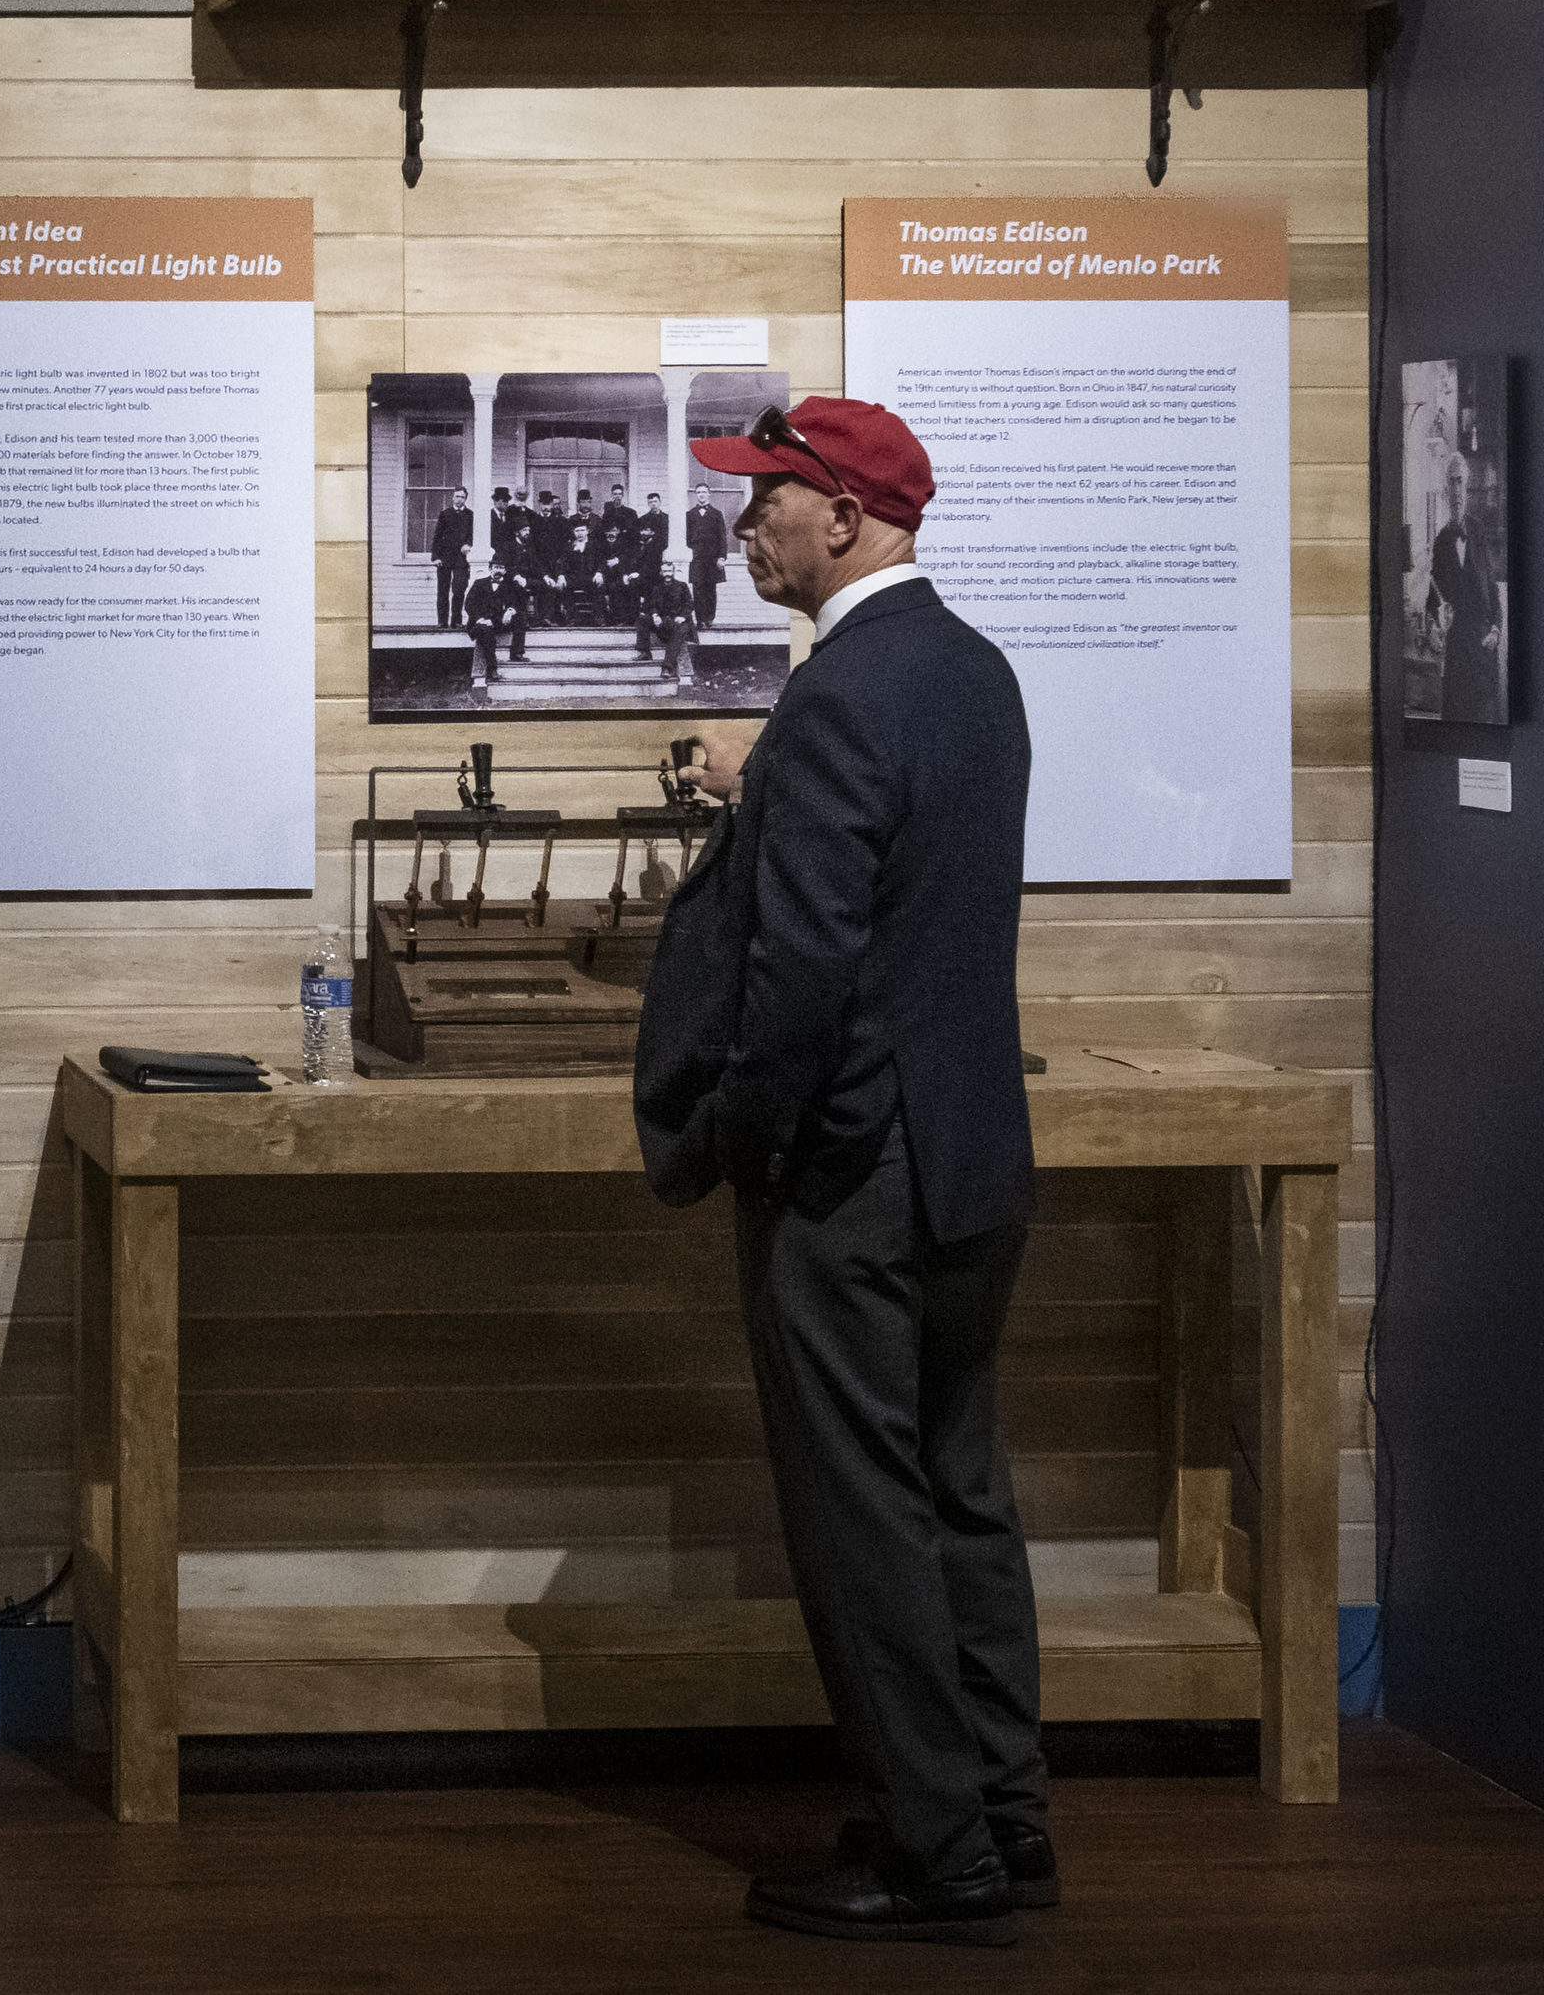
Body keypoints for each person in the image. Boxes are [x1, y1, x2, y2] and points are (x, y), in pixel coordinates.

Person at [632, 396, 1044, 1948]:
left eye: (768, 501)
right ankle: (1003, 1817)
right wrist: (769, 786)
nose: (744, 525)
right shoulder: (970, 671)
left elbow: (800, 974)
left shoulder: (836, 695)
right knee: (957, 1490)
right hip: (971, 1157)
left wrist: (745, 1137)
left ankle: (938, 1853)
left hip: (853, 1173)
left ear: (849, 519)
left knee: (862, 1516)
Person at [1423, 451, 1503, 723]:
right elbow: (1433, 599)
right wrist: (1432, 628)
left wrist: (1496, 630)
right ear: (1445, 489)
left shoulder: (1479, 531)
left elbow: (1492, 590)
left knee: (1486, 729)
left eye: (1460, 481)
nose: (1456, 489)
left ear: (1466, 487)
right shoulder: (1441, 542)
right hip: (1457, 655)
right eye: (1451, 481)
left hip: (1483, 649)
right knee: (1456, 728)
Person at [461, 563, 523, 690]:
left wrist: (510, 611)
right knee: (485, 632)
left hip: (498, 621)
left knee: (520, 619)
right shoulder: (479, 583)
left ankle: (516, 653)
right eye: (496, 567)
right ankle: (492, 668)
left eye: (501, 568)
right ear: (490, 569)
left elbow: (517, 602)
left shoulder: (510, 585)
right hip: (480, 622)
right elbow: (469, 603)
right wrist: (480, 619)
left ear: (505, 570)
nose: (498, 570)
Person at [688, 482, 734, 629]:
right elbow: (686, 537)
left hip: (712, 558)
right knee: (697, 587)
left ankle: (709, 618)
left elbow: (722, 537)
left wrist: (722, 557)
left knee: (710, 588)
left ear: (709, 494)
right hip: (696, 557)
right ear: (696, 495)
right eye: (698, 492)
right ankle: (700, 620)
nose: (701, 495)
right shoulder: (690, 514)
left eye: (703, 492)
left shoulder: (716, 514)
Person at [431, 486, 475, 629]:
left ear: (465, 499)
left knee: (459, 588)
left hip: (461, 558)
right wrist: (435, 557)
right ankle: (442, 621)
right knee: (443, 590)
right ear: (452, 498)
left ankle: (456, 621)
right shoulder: (445, 514)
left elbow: (473, 534)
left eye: (462, 497)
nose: (459, 499)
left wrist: (468, 544)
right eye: (457, 496)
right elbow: (437, 536)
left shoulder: (470, 515)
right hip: (444, 557)